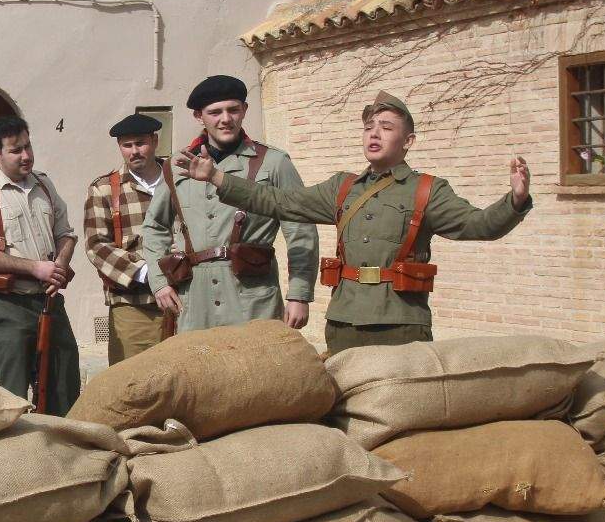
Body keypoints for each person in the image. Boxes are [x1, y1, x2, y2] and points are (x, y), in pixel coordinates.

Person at [177, 91, 532, 355]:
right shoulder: (341, 187)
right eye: (368, 127)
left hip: (400, 322)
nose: (374, 134)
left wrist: (513, 201)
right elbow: (279, 201)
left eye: (386, 127)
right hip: (344, 321)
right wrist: (220, 179)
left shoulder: (427, 190)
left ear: (408, 141)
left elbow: (478, 225)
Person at [142, 74, 318, 334]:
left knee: (257, 369)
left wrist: (299, 295)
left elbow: (300, 229)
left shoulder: (273, 163)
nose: (226, 119)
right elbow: (154, 227)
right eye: (215, 112)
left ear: (244, 110)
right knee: (198, 370)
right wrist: (159, 282)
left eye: (233, 109)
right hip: (194, 299)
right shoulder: (176, 167)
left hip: (253, 296)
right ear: (198, 116)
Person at [0, 115, 82, 414]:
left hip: (49, 302)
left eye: (28, 146)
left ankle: (61, 455)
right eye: (15, 150)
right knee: (10, 398)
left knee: (63, 388)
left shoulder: (44, 184)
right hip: (4, 306)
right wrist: (36, 268)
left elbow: (66, 234)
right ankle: (13, 459)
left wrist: (58, 266)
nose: (26, 156)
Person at [83, 113, 169, 364]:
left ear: (154, 141)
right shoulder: (105, 188)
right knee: (134, 383)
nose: (134, 151)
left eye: (140, 143)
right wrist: (148, 273)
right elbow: (96, 245)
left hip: (187, 296)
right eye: (127, 145)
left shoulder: (180, 179)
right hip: (134, 304)